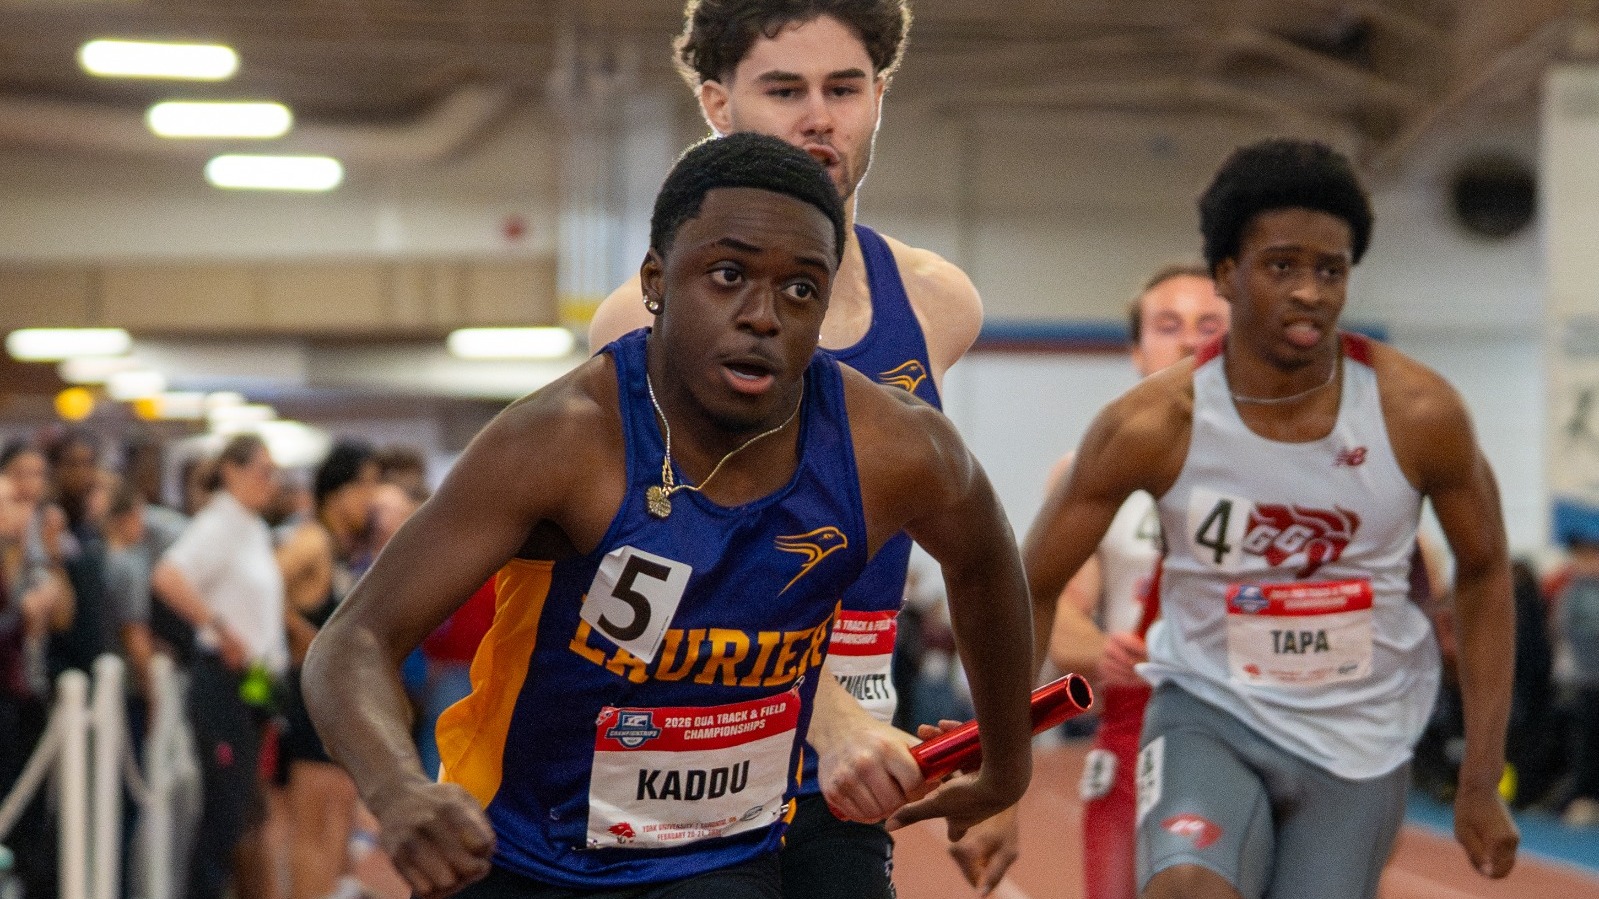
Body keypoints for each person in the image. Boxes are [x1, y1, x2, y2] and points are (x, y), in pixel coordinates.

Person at [305, 132, 1033, 899]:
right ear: (656, 280)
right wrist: (397, 790)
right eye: (728, 275)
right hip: (515, 851)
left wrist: (1004, 767)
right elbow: (352, 639)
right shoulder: (562, 441)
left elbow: (986, 561)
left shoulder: (889, 445)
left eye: (800, 289)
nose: (763, 315)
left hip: (714, 858)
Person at [1023, 138, 1519, 899]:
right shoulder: (1155, 423)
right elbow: (1030, 581)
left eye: (1330, 270)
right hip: (1206, 710)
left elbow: (1484, 572)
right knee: (1185, 887)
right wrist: (999, 769)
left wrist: (1480, 775)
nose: (1310, 292)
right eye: (1281, 266)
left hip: (1357, 736)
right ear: (1227, 272)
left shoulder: (1418, 414)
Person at [588, 4, 990, 895]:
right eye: (784, 89)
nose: (819, 117)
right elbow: (632, 579)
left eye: (843, 89)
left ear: (879, 97)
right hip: (692, 741)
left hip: (850, 756)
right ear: (716, 105)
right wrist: (824, 711)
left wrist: (983, 750)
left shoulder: (935, 304)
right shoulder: (637, 322)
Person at [1041, 265, 1228, 899]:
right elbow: (1058, 613)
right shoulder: (1092, 469)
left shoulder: (1291, 465)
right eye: (1167, 326)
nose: (1188, 342)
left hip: (1255, 721)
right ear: (1137, 350)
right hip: (1137, 724)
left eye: (1209, 326)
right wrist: (1101, 650)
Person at [152, 434, 290, 899]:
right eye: (262, 472)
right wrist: (217, 626)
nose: (270, 484)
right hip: (222, 678)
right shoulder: (220, 523)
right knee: (225, 809)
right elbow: (168, 576)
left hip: (254, 679)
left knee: (248, 807)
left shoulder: (251, 526)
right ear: (232, 471)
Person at [274, 440, 382, 899]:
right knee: (314, 827)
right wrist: (300, 633)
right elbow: (262, 581)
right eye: (366, 486)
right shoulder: (313, 540)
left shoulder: (340, 550)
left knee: (337, 818)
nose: (372, 499)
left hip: (331, 702)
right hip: (307, 702)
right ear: (336, 491)